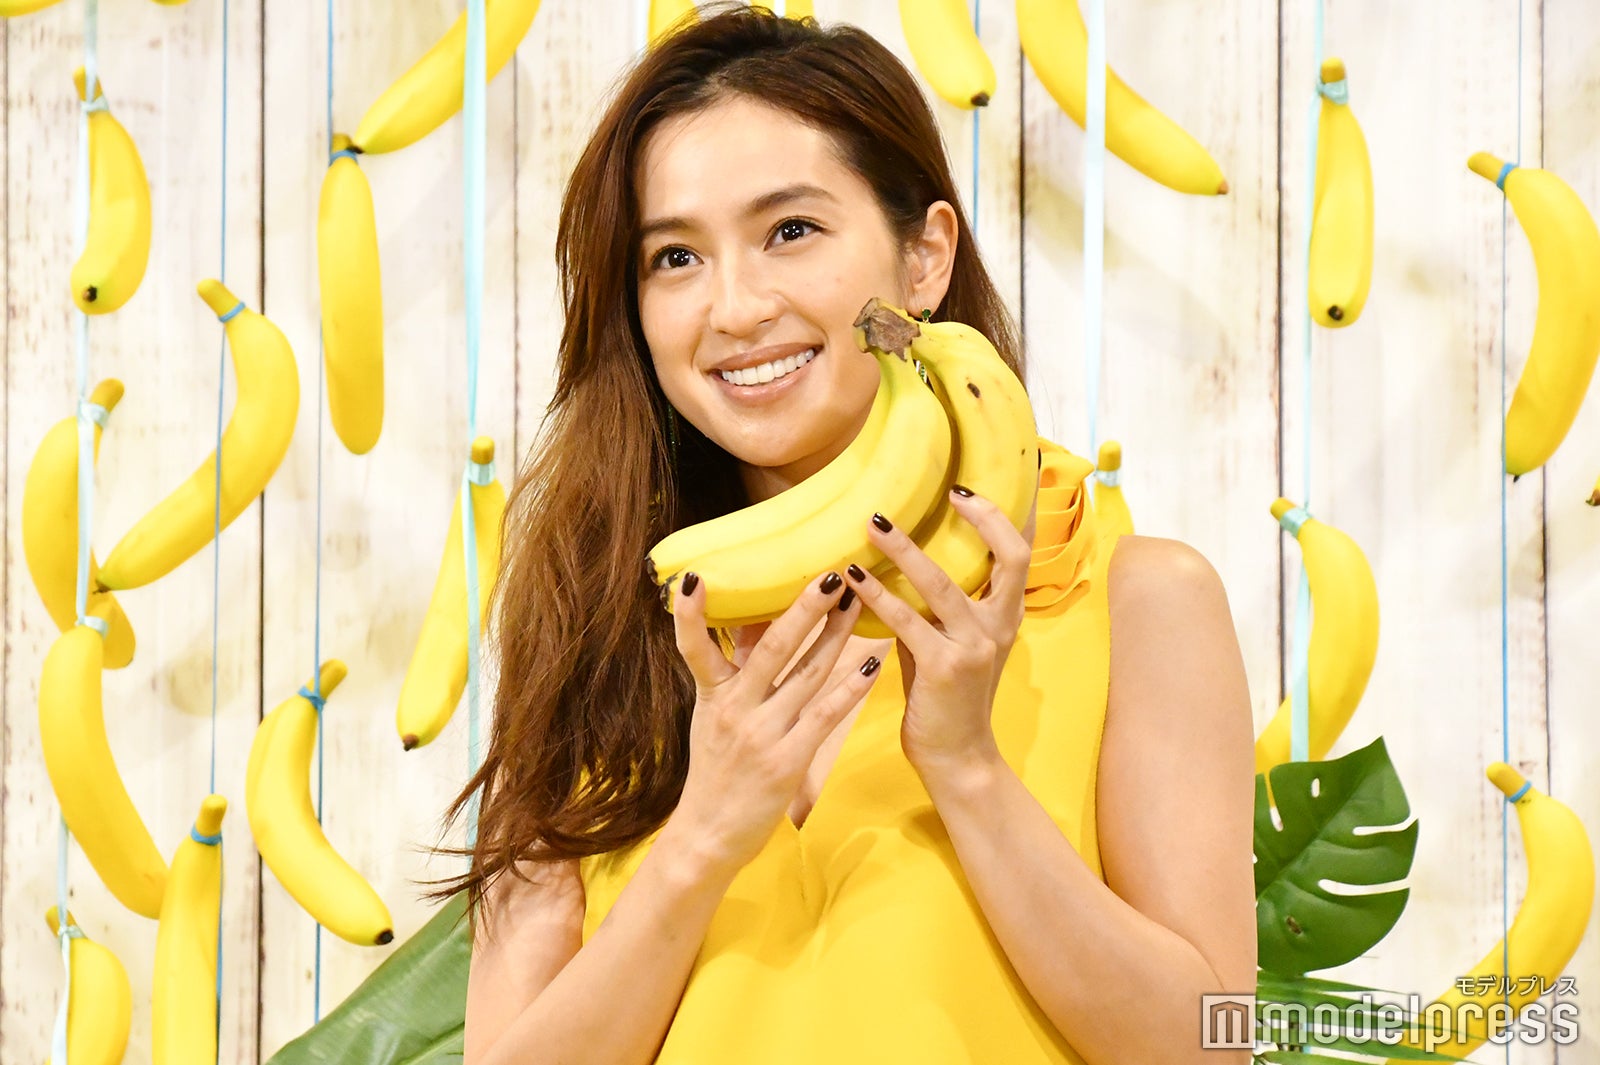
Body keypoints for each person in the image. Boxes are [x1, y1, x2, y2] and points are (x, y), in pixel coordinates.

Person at [428, 5, 1257, 1063]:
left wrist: (967, 768)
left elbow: (1210, 1045)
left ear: (924, 258)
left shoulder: (1131, 599)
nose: (733, 308)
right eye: (674, 256)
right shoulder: (607, 632)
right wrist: (701, 839)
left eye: (790, 231)